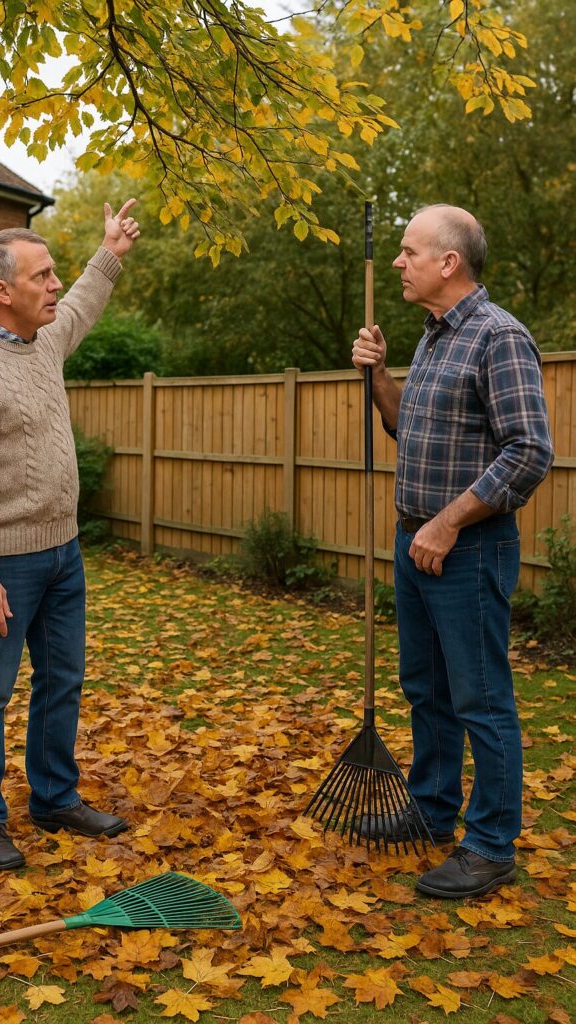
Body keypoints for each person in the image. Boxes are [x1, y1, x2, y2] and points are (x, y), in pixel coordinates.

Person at [352, 204, 554, 898]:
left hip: (464, 550)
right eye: (399, 253)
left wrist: (445, 524)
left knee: (480, 699)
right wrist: (378, 377)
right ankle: (433, 810)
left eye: (410, 253)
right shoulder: (435, 336)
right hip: (415, 543)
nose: (400, 263)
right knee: (425, 691)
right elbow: (410, 432)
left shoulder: (499, 338)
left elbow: (529, 452)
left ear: (449, 263)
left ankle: (490, 845)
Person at [0, 201, 141, 871]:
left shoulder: (44, 336)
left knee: (62, 681)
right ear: (2, 292)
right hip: (5, 566)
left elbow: (80, 305)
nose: (55, 285)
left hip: (62, 554)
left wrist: (109, 251)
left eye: (54, 274)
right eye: (42, 276)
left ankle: (54, 797)